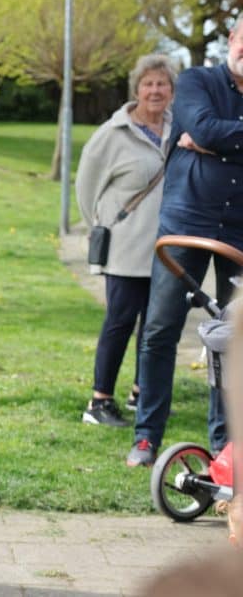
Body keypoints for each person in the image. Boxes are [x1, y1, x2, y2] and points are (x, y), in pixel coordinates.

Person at [127, 20, 243, 467]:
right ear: (231, 41)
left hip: (237, 231)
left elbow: (213, 134)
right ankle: (146, 437)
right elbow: (204, 128)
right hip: (185, 222)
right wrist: (209, 136)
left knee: (232, 337)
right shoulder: (197, 81)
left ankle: (224, 447)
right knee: (159, 328)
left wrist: (216, 137)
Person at [75, 54, 178, 428]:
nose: (155, 90)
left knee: (157, 324)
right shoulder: (112, 134)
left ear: (171, 90)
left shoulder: (178, 128)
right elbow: (86, 190)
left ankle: (142, 392)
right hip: (125, 248)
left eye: (162, 84)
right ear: (137, 89)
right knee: (120, 322)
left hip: (168, 250)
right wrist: (103, 225)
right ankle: (99, 401)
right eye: (148, 83)